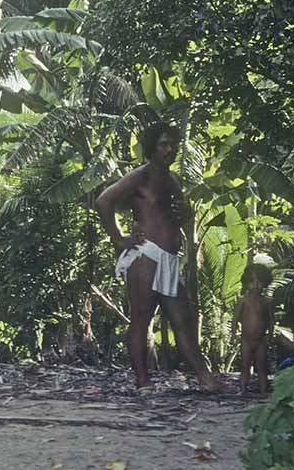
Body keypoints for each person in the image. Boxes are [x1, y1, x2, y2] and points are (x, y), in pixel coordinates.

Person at [95, 121, 221, 392]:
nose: (169, 149)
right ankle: (142, 382)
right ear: (151, 148)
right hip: (146, 256)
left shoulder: (173, 179)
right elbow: (104, 200)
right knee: (142, 318)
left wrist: (186, 215)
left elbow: (177, 216)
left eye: (172, 143)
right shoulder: (141, 175)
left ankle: (207, 380)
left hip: (169, 259)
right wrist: (118, 238)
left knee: (182, 320)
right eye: (163, 144)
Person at [232, 263, 273, 395]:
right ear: (246, 282)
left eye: (259, 281)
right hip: (246, 340)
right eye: (252, 281)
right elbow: (235, 319)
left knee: (261, 367)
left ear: (265, 283)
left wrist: (270, 335)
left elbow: (271, 320)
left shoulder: (267, 302)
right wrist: (233, 334)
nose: (256, 285)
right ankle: (243, 389)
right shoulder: (243, 300)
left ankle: (263, 390)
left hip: (261, 340)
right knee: (245, 365)